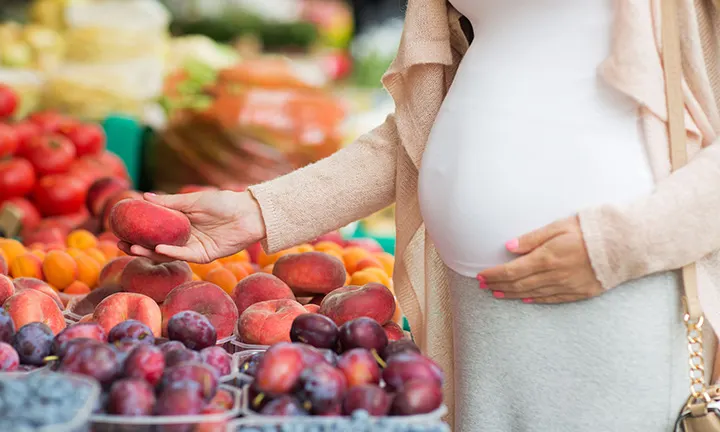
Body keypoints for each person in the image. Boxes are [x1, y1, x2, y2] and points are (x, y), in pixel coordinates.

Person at [120, 1, 720, 431]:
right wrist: (261, 210)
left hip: (613, 283)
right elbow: (419, 128)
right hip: (469, 295)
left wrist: (623, 244)